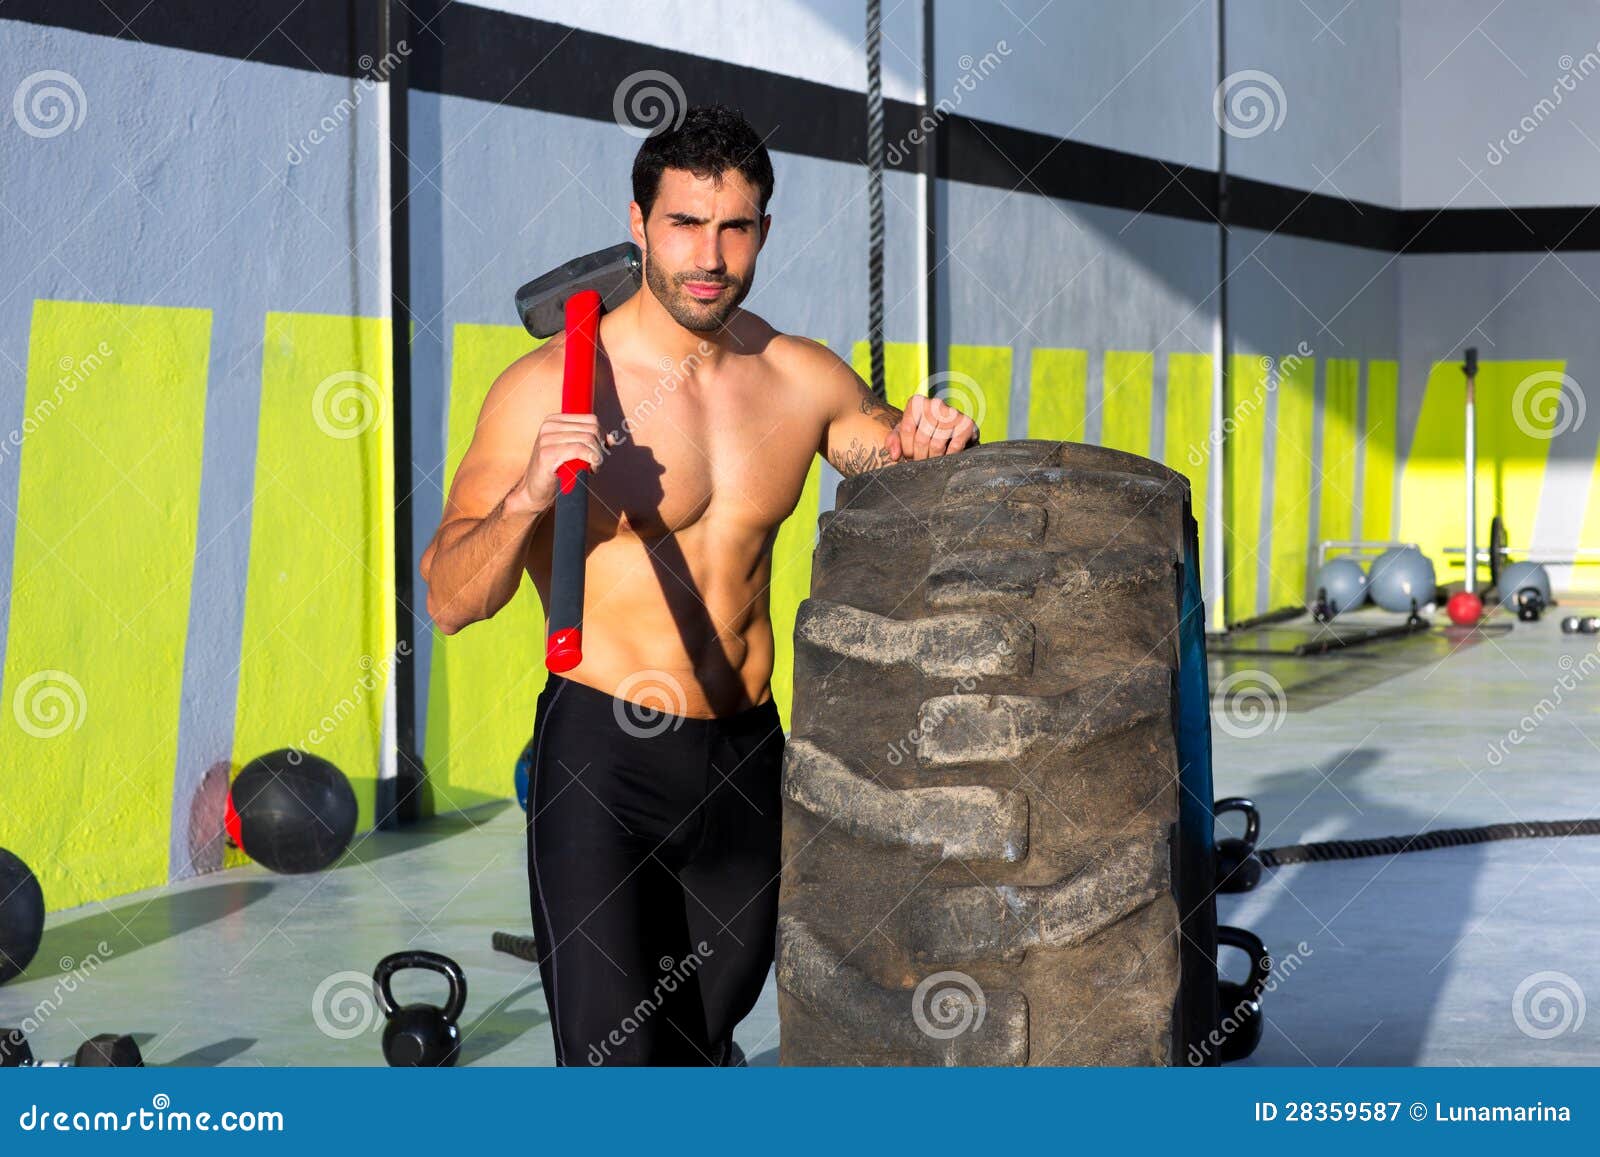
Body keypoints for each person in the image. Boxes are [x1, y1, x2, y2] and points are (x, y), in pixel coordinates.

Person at [418, 103, 979, 1066]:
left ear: (764, 229)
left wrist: (926, 442)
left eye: (735, 227)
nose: (708, 255)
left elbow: (880, 452)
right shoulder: (547, 386)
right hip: (605, 761)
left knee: (701, 1039)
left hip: (747, 766)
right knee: (615, 1067)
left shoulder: (798, 376)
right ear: (639, 226)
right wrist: (522, 500)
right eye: (684, 224)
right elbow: (450, 600)